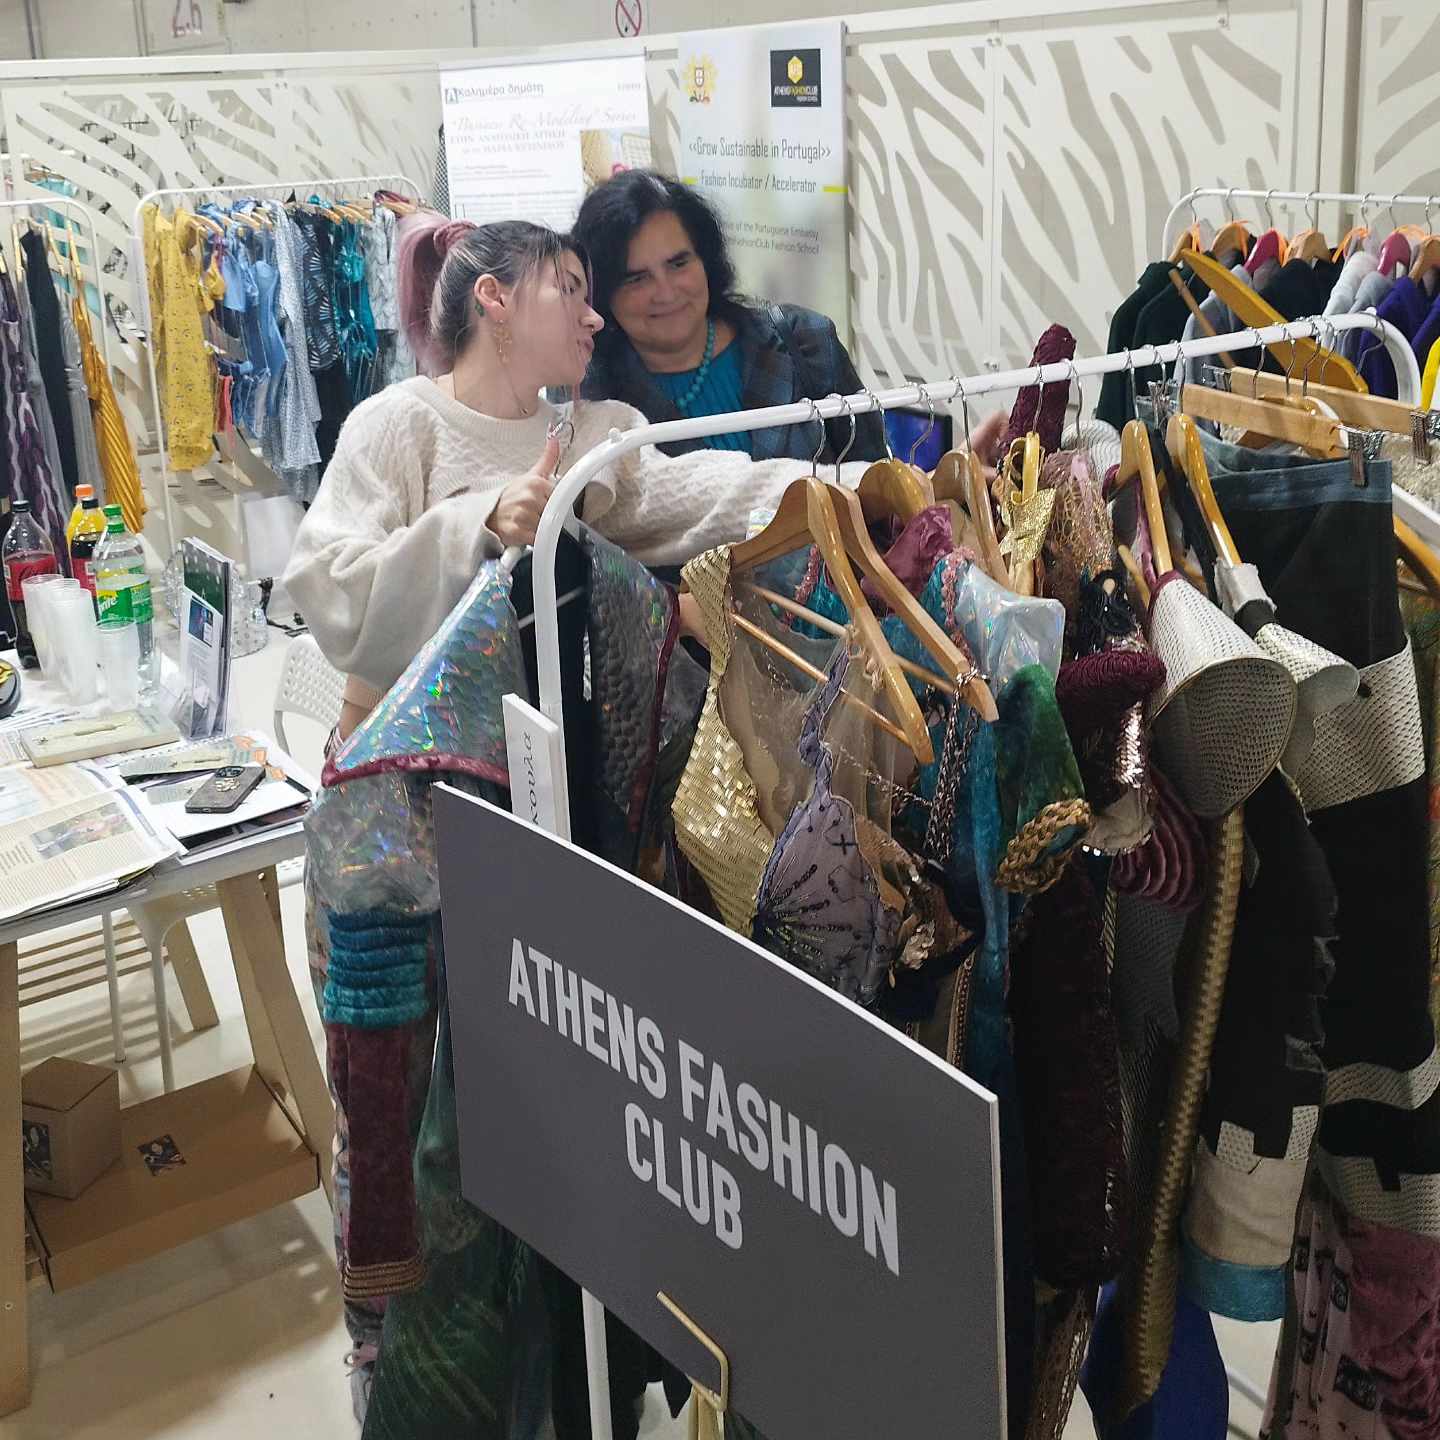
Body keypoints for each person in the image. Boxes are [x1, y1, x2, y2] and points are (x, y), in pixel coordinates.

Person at [286, 214, 872, 738]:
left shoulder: (590, 436)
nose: (593, 318)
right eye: (567, 289)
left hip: (547, 763)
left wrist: (866, 485)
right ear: (493, 297)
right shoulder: (400, 421)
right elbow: (329, 582)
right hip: (409, 763)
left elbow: (713, 491)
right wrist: (479, 520)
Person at [573, 169, 887, 462]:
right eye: (637, 279)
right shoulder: (588, 394)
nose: (666, 293)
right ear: (602, 294)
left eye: (679, 264)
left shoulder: (806, 342)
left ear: (706, 260)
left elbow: (880, 485)